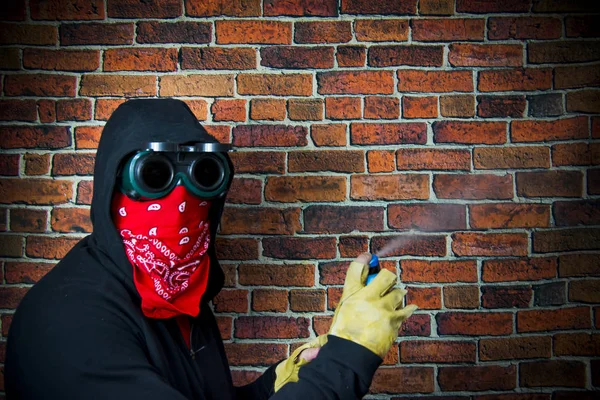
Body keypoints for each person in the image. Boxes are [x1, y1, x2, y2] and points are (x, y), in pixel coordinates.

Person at [5, 99, 417, 399]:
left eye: (201, 174)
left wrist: (283, 379)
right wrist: (349, 355)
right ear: (111, 190)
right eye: (154, 175)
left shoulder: (176, 292)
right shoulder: (69, 324)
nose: (181, 203)